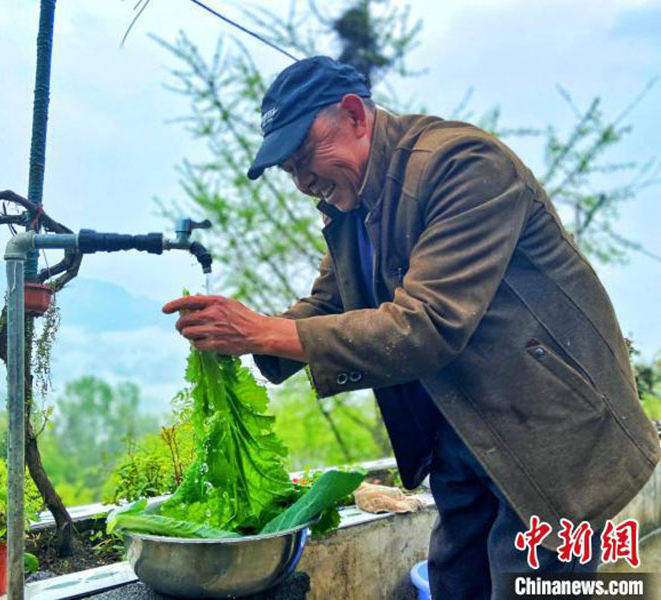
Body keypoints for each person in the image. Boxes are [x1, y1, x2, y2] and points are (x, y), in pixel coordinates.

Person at [162, 56, 660, 598]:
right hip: (463, 431)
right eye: (290, 171)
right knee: (453, 582)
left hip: (548, 434)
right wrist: (244, 335)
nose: (304, 182)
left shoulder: (464, 166)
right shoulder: (352, 205)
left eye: (306, 157)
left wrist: (260, 331)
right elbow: (330, 305)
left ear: (354, 115)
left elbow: (428, 323)